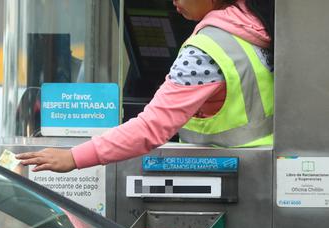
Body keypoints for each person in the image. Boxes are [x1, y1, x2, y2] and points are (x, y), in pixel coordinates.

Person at [16, 0, 274, 173]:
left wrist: (73, 157)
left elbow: (151, 127)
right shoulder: (259, 29)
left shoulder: (207, 50)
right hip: (264, 175)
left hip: (224, 182)